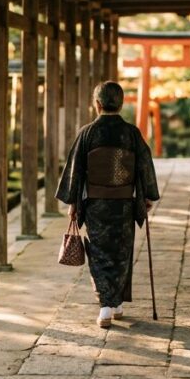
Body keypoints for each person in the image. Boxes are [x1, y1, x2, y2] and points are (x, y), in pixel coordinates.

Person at [56, 81, 160, 328]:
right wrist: (146, 195)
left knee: (99, 253)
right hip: (124, 204)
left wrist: (73, 203)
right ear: (121, 104)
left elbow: (76, 169)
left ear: (97, 104)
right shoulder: (131, 133)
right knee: (122, 252)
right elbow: (144, 165)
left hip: (96, 205)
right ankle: (118, 304)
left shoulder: (87, 133)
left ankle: (106, 308)